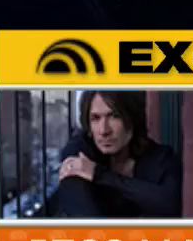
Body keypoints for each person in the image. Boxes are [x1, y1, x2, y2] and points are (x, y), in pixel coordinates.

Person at [47, 91, 182, 219]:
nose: (104, 130)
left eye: (114, 116)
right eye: (95, 118)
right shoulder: (82, 149)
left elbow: (169, 204)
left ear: (132, 118)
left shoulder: (160, 157)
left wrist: (99, 174)